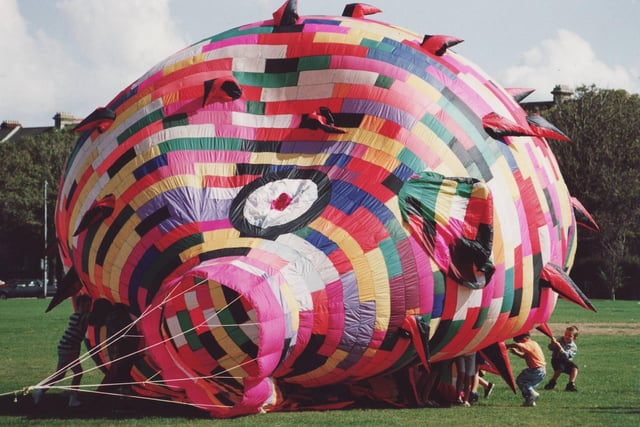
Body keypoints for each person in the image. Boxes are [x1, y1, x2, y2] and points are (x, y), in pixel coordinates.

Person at [33, 294, 92, 407]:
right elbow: (95, 318)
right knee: (78, 373)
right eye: (88, 305)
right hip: (69, 349)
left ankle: (39, 392)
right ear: (82, 305)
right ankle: (72, 399)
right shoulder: (83, 317)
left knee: (59, 375)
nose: (89, 308)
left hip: (64, 347)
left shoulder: (75, 315)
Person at [506, 332, 546, 407]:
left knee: (521, 381)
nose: (518, 342)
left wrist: (507, 346)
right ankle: (530, 401)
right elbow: (526, 356)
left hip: (536, 370)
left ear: (526, 338)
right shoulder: (533, 343)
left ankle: (533, 394)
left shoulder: (529, 344)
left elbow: (518, 345)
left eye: (519, 340)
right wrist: (517, 353)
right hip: (541, 370)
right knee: (525, 383)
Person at [544, 325, 580, 391]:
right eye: (566, 334)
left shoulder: (573, 347)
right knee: (559, 369)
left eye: (570, 336)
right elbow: (550, 348)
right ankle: (552, 382)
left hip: (566, 361)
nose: (566, 337)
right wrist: (552, 344)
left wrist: (560, 347)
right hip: (556, 359)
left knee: (575, 368)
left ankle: (570, 384)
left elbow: (566, 356)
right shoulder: (560, 339)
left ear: (574, 338)